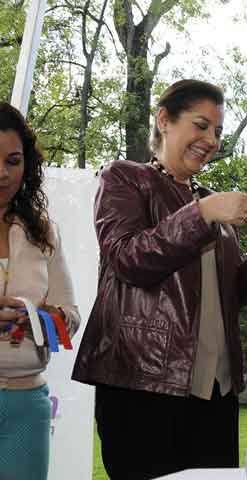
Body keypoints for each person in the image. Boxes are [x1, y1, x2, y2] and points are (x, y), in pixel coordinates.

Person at [71, 79, 247, 479]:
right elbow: (127, 258)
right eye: (201, 125)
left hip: (216, 391)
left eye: (218, 131)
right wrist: (203, 213)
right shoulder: (124, 178)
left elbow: (231, 295)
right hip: (144, 384)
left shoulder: (209, 201)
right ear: (164, 120)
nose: (211, 140)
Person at [0, 102, 80, 480]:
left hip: (28, 406)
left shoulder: (43, 232)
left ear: (27, 165)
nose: (2, 173)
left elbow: (70, 315)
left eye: (13, 161)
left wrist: (41, 320)